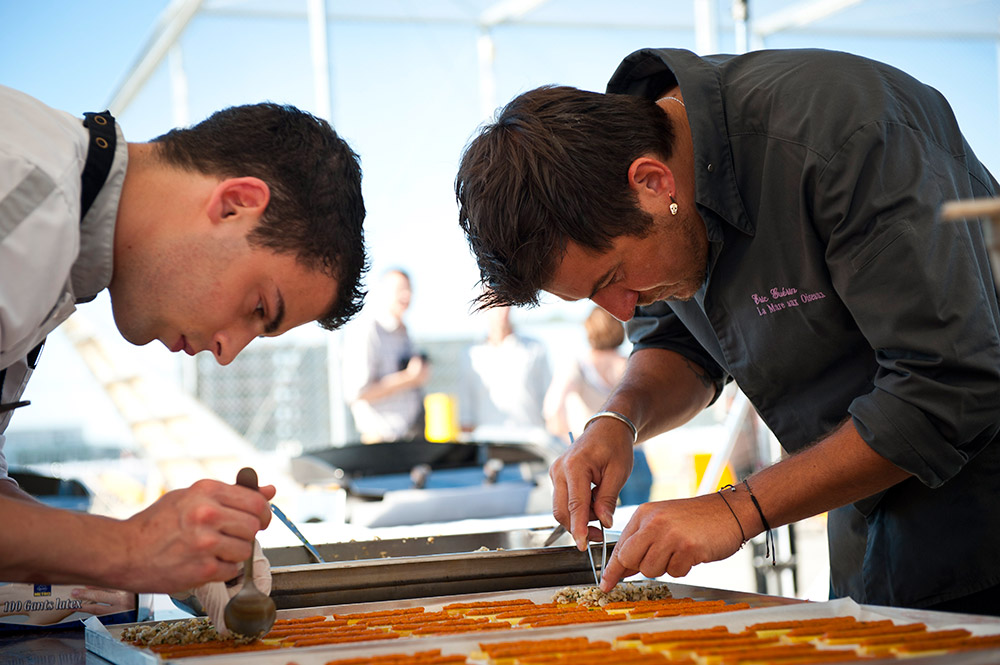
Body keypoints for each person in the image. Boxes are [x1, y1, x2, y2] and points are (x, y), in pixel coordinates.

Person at [454, 48, 1000, 615]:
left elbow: (946, 383)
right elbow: (676, 342)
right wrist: (618, 418)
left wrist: (737, 510)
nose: (619, 312)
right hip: (865, 523)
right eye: (592, 296)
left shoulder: (846, 136)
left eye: (613, 277)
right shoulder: (635, 195)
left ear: (652, 181)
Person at [0, 84, 368, 627]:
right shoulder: (24, 199)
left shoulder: (59, 226)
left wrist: (165, 553)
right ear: (234, 204)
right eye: (257, 306)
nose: (225, 353)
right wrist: (128, 549)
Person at [543, 306, 651, 505]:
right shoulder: (632, 364)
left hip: (595, 459)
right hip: (635, 455)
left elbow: (552, 409)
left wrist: (571, 443)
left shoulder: (579, 366)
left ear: (589, 330)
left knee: (594, 527)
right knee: (635, 527)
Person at [343, 268, 430, 442]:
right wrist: (408, 378)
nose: (406, 295)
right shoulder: (366, 330)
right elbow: (357, 393)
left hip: (410, 437)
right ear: (382, 292)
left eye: (409, 289)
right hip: (381, 441)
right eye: (400, 289)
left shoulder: (403, 331)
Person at [459, 306, 551, 441]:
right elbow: (465, 409)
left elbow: (549, 402)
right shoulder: (470, 354)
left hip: (530, 440)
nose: (502, 310)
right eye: (494, 305)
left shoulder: (535, 349)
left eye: (505, 303)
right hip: (487, 441)